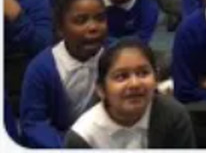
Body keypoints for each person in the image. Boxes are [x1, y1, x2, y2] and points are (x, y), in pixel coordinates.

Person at [19, 0, 108, 149]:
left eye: (100, 18)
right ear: (60, 29)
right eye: (80, 20)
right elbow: (34, 123)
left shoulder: (112, 58)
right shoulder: (42, 68)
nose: (93, 27)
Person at [65, 39, 195, 148]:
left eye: (143, 73)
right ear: (101, 90)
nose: (135, 84)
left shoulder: (173, 115)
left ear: (156, 79)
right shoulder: (83, 137)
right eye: (121, 76)